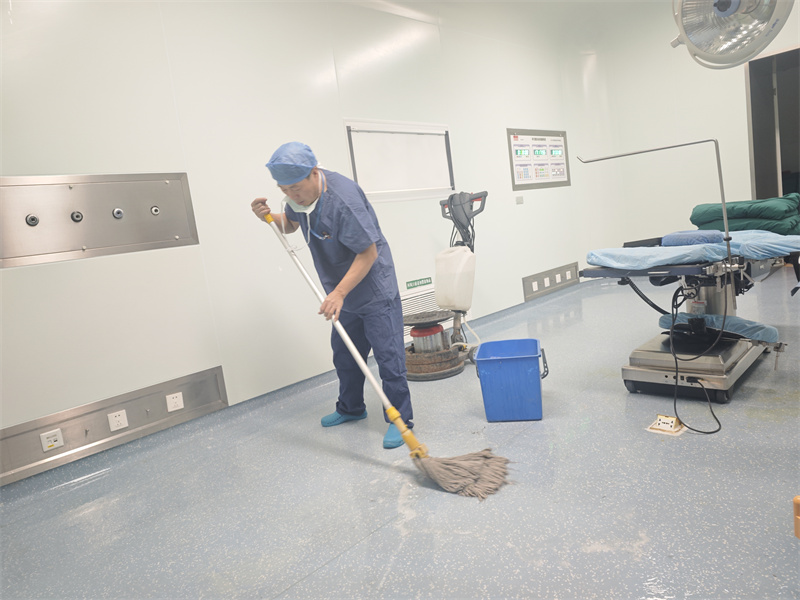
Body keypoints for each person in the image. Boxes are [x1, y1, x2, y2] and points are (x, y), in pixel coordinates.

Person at [251, 142, 413, 449]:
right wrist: (268, 217)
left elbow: (368, 253)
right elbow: (292, 224)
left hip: (373, 289)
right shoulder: (299, 197)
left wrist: (338, 292)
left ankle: (400, 420)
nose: (292, 195)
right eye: (284, 190)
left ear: (315, 173)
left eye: (296, 188)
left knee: (389, 357)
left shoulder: (343, 200)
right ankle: (351, 408)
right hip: (341, 291)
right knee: (345, 355)